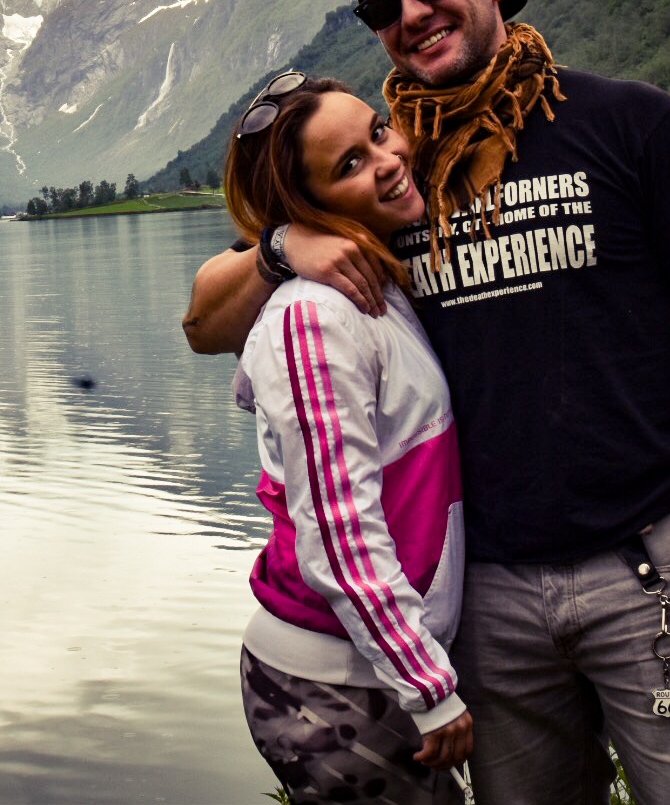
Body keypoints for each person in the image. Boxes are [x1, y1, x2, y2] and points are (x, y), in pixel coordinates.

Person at [184, 0, 670, 803]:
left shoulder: (629, 122)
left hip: (652, 564)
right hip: (486, 599)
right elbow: (204, 324)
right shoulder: (394, 174)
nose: (412, 13)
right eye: (384, 8)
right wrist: (281, 246)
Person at [224, 72, 471, 804]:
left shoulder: (374, 285)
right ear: (309, 205)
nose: (388, 159)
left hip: (368, 667)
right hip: (333, 682)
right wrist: (427, 685)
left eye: (379, 131)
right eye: (351, 164)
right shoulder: (314, 316)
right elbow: (338, 531)